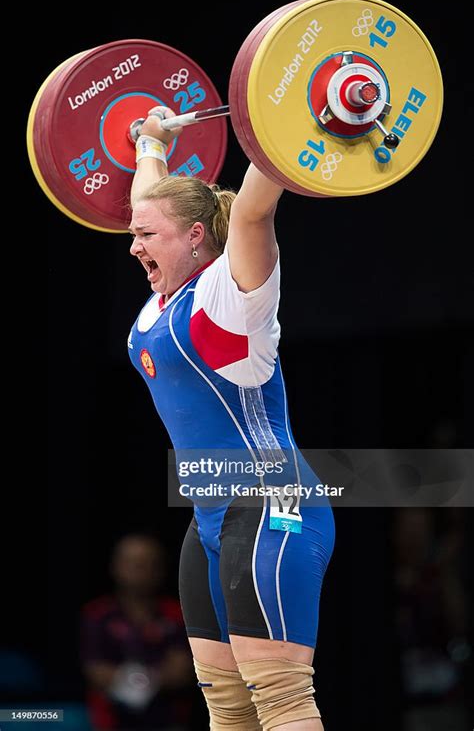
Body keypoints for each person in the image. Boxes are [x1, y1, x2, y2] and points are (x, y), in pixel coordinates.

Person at [127, 107, 336, 730]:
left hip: (269, 503)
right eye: (134, 235)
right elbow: (152, 202)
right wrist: (152, 144)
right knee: (228, 705)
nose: (134, 245)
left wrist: (297, 119)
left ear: (196, 235)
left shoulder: (234, 291)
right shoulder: (164, 292)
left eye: (146, 236)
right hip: (212, 518)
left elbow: (252, 210)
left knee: (281, 698)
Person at [81, 533, 195, 730]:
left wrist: (127, 678)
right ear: (115, 566)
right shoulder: (96, 615)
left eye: (146, 563)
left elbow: (180, 672)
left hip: (169, 721)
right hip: (110, 721)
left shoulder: (179, 614)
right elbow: (97, 672)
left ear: (160, 569)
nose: (138, 570)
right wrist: (153, 678)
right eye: (131, 563)